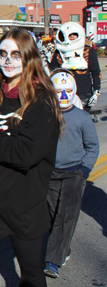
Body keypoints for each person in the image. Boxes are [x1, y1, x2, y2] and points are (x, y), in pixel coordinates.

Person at [0, 27, 62, 287]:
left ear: (29, 57)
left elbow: (24, 154)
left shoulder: (42, 103)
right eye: (3, 54)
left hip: (22, 207)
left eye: (16, 55)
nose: (7, 61)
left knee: (31, 277)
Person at [43, 69, 99, 279]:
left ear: (74, 91)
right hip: (50, 174)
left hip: (74, 174)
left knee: (65, 216)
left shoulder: (82, 117)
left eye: (68, 91)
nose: (63, 95)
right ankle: (63, 249)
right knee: (50, 216)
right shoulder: (46, 116)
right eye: (58, 91)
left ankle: (52, 262)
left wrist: (84, 170)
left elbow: (93, 147)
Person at [49, 22, 101, 112]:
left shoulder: (88, 51)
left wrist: (96, 92)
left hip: (84, 92)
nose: (71, 36)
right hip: (63, 92)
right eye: (69, 35)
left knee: (81, 119)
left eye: (74, 34)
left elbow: (96, 72)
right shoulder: (59, 52)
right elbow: (52, 71)